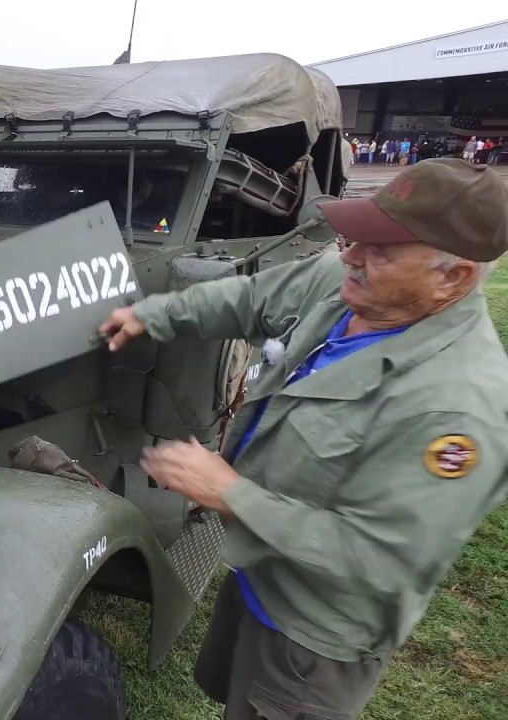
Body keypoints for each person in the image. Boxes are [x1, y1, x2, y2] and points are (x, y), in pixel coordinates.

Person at [99, 158, 508, 720]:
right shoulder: (347, 289)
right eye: (355, 237)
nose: (351, 257)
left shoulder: (457, 410)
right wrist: (154, 313)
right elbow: (249, 299)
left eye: (381, 250)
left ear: (453, 278)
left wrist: (229, 493)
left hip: (317, 630)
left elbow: (381, 560)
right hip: (261, 571)